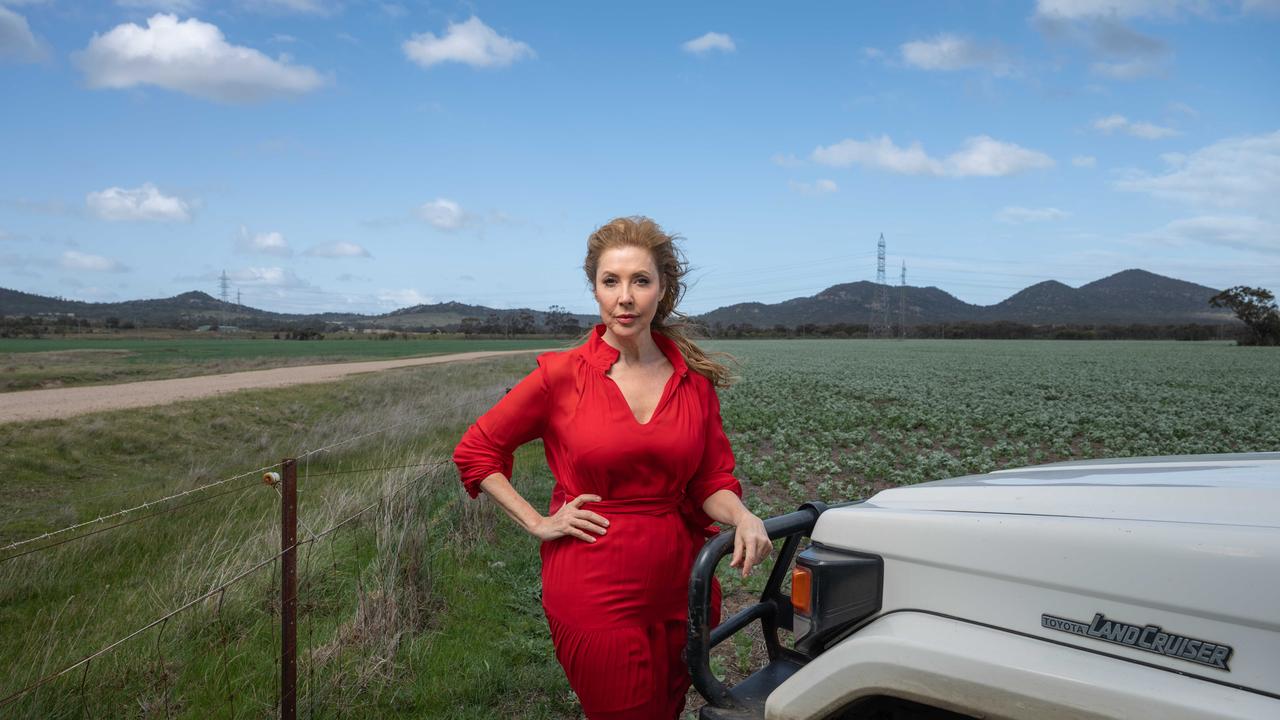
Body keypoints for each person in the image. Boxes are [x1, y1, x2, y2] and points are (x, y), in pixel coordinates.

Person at [452, 215, 772, 719]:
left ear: (662, 290)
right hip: (595, 586)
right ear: (596, 290)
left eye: (640, 281)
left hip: (681, 585)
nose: (625, 296)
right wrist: (538, 522)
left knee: (666, 709)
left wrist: (743, 517)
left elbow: (710, 479)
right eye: (611, 281)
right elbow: (477, 451)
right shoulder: (561, 376)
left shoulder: (693, 383)